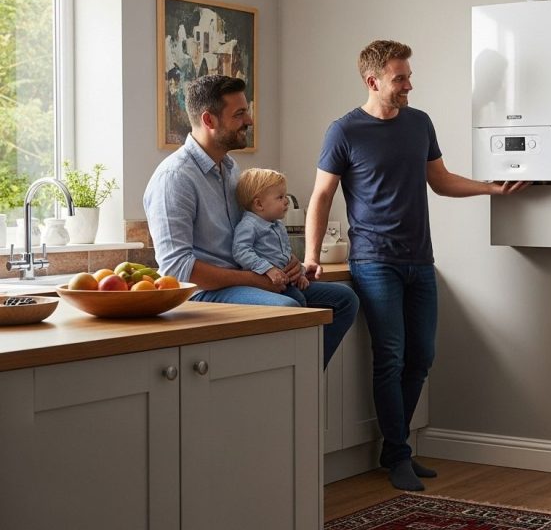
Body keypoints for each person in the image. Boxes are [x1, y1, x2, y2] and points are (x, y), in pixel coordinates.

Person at [304, 40, 527, 492]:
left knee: (421, 357)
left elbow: (439, 181)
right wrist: (311, 257)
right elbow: (321, 197)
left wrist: (492, 189)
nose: (409, 84)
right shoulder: (344, 131)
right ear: (374, 81)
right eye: (400, 77)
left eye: (408, 75)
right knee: (390, 357)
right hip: (373, 261)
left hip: (420, 259)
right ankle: (399, 453)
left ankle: (394, 448)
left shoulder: (419, 123)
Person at [144, 75, 358, 368]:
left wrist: (287, 262)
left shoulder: (231, 169)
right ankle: (291, 388)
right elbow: (177, 269)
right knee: (289, 308)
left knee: (344, 300)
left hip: (247, 278)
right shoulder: (174, 178)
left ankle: (302, 383)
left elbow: (251, 234)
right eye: (239, 114)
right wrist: (255, 279)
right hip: (203, 294)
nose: (250, 120)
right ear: (209, 120)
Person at [232, 168, 311, 306]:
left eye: (285, 196)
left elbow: (285, 255)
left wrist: (300, 275)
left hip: (284, 280)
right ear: (259, 204)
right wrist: (267, 269)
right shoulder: (248, 225)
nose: (286, 201)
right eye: (280, 197)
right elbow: (241, 251)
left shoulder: (278, 225)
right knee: (298, 301)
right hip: (265, 283)